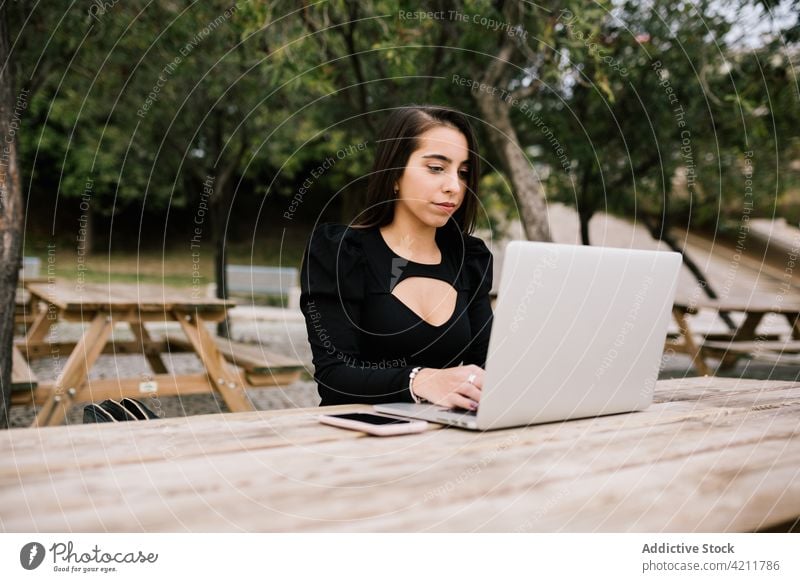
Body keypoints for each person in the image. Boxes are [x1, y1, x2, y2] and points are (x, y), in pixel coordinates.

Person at [299, 105, 493, 410]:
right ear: (394, 175)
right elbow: (334, 377)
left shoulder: (469, 259)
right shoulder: (341, 253)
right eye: (436, 167)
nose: (454, 186)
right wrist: (420, 381)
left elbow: (487, 365)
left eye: (463, 172)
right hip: (356, 440)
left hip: (445, 436)